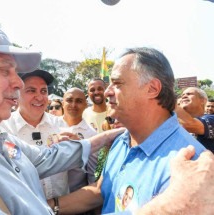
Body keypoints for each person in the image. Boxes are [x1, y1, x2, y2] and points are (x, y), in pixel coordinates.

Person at [47, 47, 207, 214]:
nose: (107, 92)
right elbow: (102, 190)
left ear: (152, 88)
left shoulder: (189, 166)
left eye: (117, 83)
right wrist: (43, 208)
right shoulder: (122, 140)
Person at [0, 28, 124, 214]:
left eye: (43, 91)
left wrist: (106, 136)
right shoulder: (7, 129)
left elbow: (44, 159)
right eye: (3, 70)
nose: (18, 83)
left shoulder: (4, 140)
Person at [0, 69, 72, 199]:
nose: (39, 97)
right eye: (31, 91)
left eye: (43, 91)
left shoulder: (61, 125)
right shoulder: (4, 128)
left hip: (64, 208)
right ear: (17, 94)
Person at [58, 87, 98, 192]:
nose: (73, 105)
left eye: (79, 101)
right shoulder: (50, 126)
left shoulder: (92, 133)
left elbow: (92, 172)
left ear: (85, 105)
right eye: (69, 100)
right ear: (63, 103)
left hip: (76, 196)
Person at [176, 87, 214, 153]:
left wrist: (166, 99)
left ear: (202, 100)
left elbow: (188, 124)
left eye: (189, 94)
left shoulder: (211, 119)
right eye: (182, 95)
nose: (184, 96)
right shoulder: (174, 121)